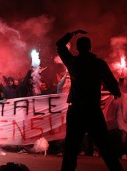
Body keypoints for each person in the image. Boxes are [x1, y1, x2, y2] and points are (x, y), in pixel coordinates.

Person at [56, 30, 124, 171]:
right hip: (92, 110)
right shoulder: (98, 64)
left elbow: (59, 45)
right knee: (105, 147)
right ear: (90, 47)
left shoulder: (73, 63)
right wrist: (116, 92)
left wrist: (71, 34)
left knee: (71, 149)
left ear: (77, 48)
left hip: (76, 111)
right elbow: (110, 81)